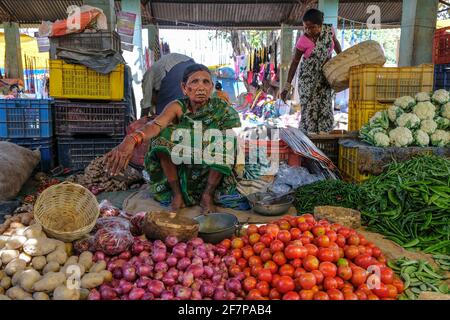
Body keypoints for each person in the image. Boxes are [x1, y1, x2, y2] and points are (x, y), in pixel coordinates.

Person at [106, 64, 242, 213]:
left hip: (209, 170)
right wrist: (131, 139)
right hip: (183, 167)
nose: (201, 87)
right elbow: (156, 124)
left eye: (206, 82)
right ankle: (177, 194)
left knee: (228, 138)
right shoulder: (177, 106)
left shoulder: (220, 107)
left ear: (211, 87)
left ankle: (207, 195)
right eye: (194, 82)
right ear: (184, 87)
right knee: (160, 138)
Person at [281, 9, 342, 133]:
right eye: (305, 28)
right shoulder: (302, 41)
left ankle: (324, 141)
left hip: (325, 79)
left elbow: (335, 43)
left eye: (312, 27)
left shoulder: (329, 31)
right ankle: (309, 144)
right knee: (310, 111)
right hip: (308, 81)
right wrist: (287, 87)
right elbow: (294, 63)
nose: (308, 30)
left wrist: (342, 59)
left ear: (321, 25)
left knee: (325, 108)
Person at [141, 53, 196, 117]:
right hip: (193, 66)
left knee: (163, 115)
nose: (154, 102)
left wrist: (141, 121)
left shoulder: (147, 78)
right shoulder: (157, 73)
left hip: (174, 70)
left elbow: (146, 105)